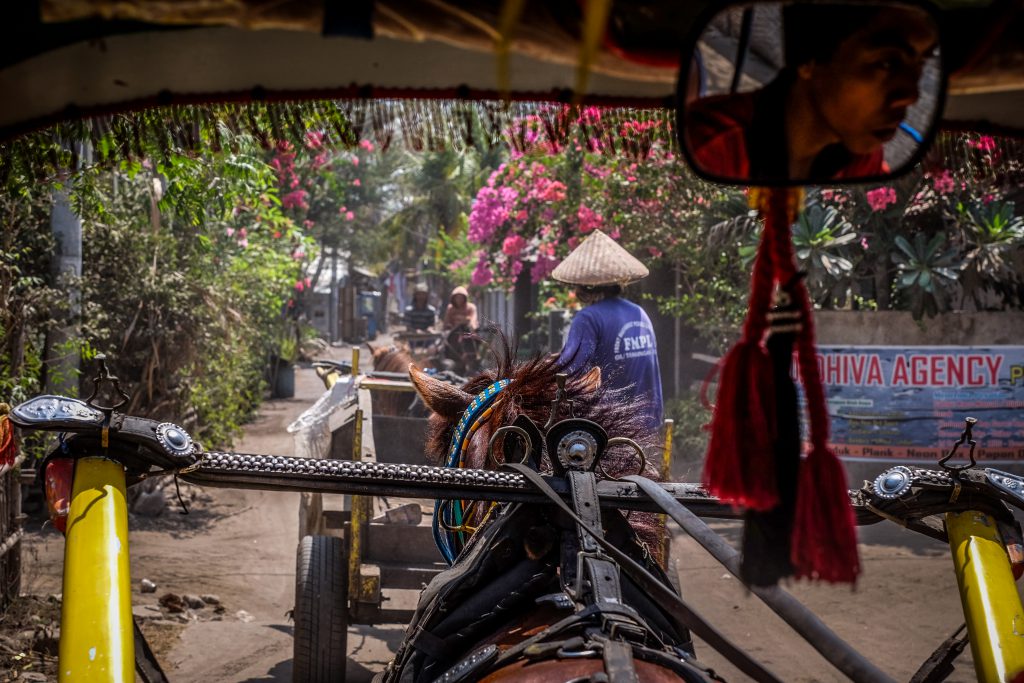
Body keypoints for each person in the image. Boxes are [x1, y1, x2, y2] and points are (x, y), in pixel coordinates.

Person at [685, 4, 938, 182]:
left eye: (921, 64)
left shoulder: (860, 156)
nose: (912, 95)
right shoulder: (711, 145)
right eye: (887, 63)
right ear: (808, 60)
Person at [553, 229, 663, 430]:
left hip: (611, 428)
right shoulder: (639, 313)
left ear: (584, 288)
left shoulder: (588, 318)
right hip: (648, 424)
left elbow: (571, 370)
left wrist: (547, 368)